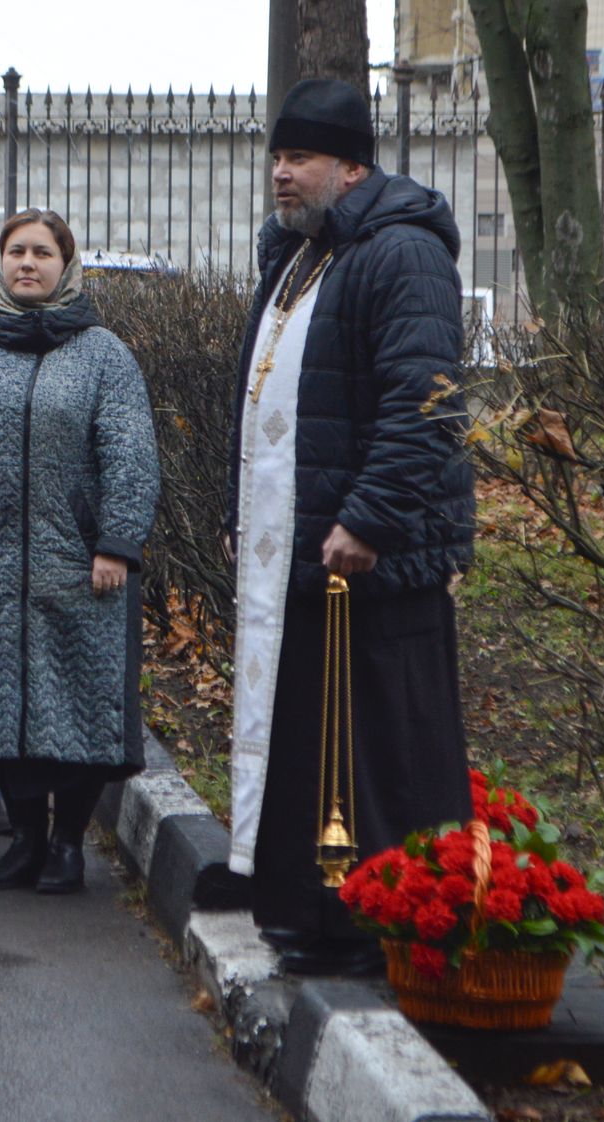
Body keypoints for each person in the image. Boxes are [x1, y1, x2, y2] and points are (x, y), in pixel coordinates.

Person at [223, 77, 474, 977]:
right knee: (312, 744)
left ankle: (384, 925)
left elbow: (424, 401)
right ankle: (310, 913)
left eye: (299, 159)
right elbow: (264, 401)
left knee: (379, 753)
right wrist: (240, 515)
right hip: (305, 557)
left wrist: (368, 517)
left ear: (352, 165)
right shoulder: (302, 254)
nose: (281, 175)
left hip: (374, 560)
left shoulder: (399, 253)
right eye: (277, 159)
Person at [0, 209, 160, 895]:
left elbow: (130, 454)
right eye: (15, 251)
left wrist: (115, 542)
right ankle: (25, 841)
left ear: (66, 264)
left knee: (76, 706)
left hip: (76, 567)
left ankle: (68, 845)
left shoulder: (104, 355)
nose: (27, 263)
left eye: (43, 253)